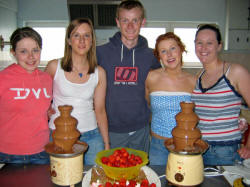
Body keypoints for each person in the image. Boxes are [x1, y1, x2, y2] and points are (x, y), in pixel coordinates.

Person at [96, 0, 160, 152]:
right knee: (113, 174)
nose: (130, 26)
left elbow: (158, 88)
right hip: (111, 130)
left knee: (139, 173)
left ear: (142, 22)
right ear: (118, 22)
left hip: (141, 130)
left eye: (135, 20)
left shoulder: (151, 55)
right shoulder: (100, 53)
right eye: (125, 20)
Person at [45, 18, 109, 165]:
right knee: (63, 178)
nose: (82, 40)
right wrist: (46, 108)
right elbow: (39, 96)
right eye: (76, 35)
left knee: (93, 178)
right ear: (68, 40)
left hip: (91, 136)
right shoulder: (54, 67)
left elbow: (100, 110)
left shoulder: (99, 73)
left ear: (92, 41)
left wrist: (106, 143)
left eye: (86, 35)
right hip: (59, 135)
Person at [191, 24, 250, 165]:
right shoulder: (199, 76)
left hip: (224, 151)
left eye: (209, 43)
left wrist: (248, 146)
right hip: (199, 147)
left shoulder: (235, 71)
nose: (203, 48)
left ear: (219, 46)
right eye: (199, 43)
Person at [0, 27, 53, 164]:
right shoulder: (3, 78)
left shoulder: (46, 79)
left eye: (35, 50)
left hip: (42, 151)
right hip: (9, 154)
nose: (31, 57)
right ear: (13, 53)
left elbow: (41, 110)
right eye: (23, 51)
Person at [145, 32, 196, 165]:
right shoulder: (151, 77)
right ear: (159, 56)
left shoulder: (193, 81)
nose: (169, 54)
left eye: (173, 48)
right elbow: (147, 106)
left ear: (181, 49)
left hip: (186, 146)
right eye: (163, 51)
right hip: (158, 146)